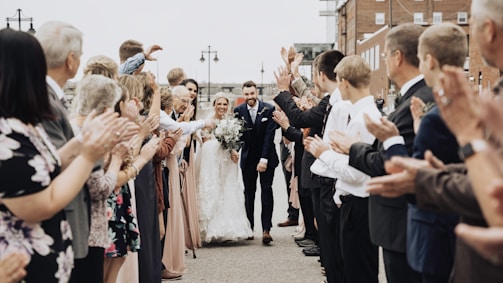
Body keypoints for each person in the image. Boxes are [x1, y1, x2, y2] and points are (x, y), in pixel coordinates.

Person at [0, 27, 119, 282]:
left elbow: (49, 163)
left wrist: (83, 140)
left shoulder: (18, 123)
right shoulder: (4, 134)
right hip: (21, 265)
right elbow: (42, 204)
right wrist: (88, 156)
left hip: (47, 260)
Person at [332, 23, 433, 283]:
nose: (385, 62)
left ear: (398, 57)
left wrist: (353, 148)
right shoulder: (410, 96)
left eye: (386, 55)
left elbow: (392, 163)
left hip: (402, 218)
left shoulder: (418, 99)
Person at [305, 55, 381, 283]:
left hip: (358, 206)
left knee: (357, 274)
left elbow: (356, 173)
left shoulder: (362, 119)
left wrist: (323, 153)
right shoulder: (363, 113)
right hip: (355, 203)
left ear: (345, 82)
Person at [35, 20, 94, 281]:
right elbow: (56, 161)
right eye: (79, 56)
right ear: (71, 60)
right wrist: (94, 144)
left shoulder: (49, 95)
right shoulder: (43, 99)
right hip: (59, 214)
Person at [197, 92, 253, 242]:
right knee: (214, 189)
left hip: (228, 162)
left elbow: (235, 141)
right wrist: (224, 145)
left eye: (225, 104)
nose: (222, 107)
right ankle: (211, 229)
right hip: (212, 161)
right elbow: (205, 142)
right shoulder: (208, 121)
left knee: (229, 189)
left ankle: (230, 229)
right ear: (214, 105)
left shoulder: (231, 121)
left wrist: (233, 149)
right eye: (219, 104)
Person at [234, 80, 279, 245]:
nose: (249, 97)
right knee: (249, 193)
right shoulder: (238, 111)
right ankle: (249, 228)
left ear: (256, 93)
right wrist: (233, 151)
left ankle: (266, 229)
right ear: (243, 94)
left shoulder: (269, 109)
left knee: (266, 191)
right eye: (246, 94)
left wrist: (264, 159)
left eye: (252, 94)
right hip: (248, 160)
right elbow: (238, 135)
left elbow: (269, 136)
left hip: (267, 157)